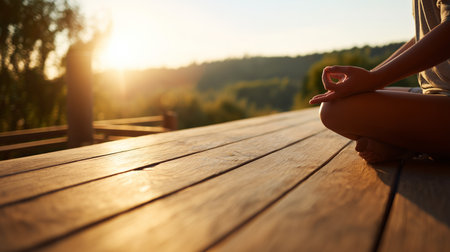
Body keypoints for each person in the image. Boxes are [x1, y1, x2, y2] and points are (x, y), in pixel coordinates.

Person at [309, 0, 450, 163]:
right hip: (434, 93)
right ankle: (409, 144)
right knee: (346, 99)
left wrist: (375, 79)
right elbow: (425, 34)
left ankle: (409, 145)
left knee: (334, 109)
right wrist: (371, 77)